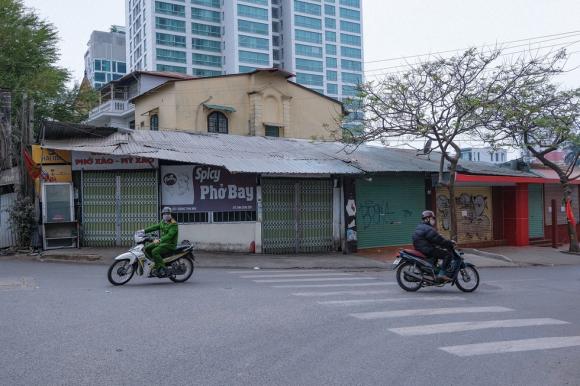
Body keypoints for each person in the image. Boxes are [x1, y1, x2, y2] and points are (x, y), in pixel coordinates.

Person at [412, 210, 456, 281]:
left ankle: (432, 273)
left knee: (437, 253)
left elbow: (432, 238)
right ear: (427, 219)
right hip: (426, 249)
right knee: (448, 255)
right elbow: (439, 240)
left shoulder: (421, 226)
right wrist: (450, 242)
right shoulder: (428, 229)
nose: (434, 220)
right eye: (432, 218)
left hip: (421, 248)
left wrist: (439, 240)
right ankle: (442, 274)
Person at [144, 207, 178, 273]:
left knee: (154, 251)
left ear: (171, 214)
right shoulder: (163, 222)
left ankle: (162, 268)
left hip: (170, 244)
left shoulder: (174, 224)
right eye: (164, 213)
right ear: (162, 214)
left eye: (168, 213)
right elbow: (155, 227)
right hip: (162, 242)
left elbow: (169, 235)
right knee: (147, 248)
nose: (166, 215)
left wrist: (160, 240)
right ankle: (156, 262)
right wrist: (144, 231)